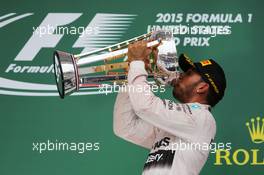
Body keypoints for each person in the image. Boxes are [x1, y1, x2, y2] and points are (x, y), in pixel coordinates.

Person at [113, 40, 226, 175]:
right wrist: (130, 76)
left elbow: (145, 106)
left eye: (189, 73)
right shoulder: (181, 124)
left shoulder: (201, 118)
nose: (181, 75)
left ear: (202, 87)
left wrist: (137, 63)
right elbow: (126, 127)